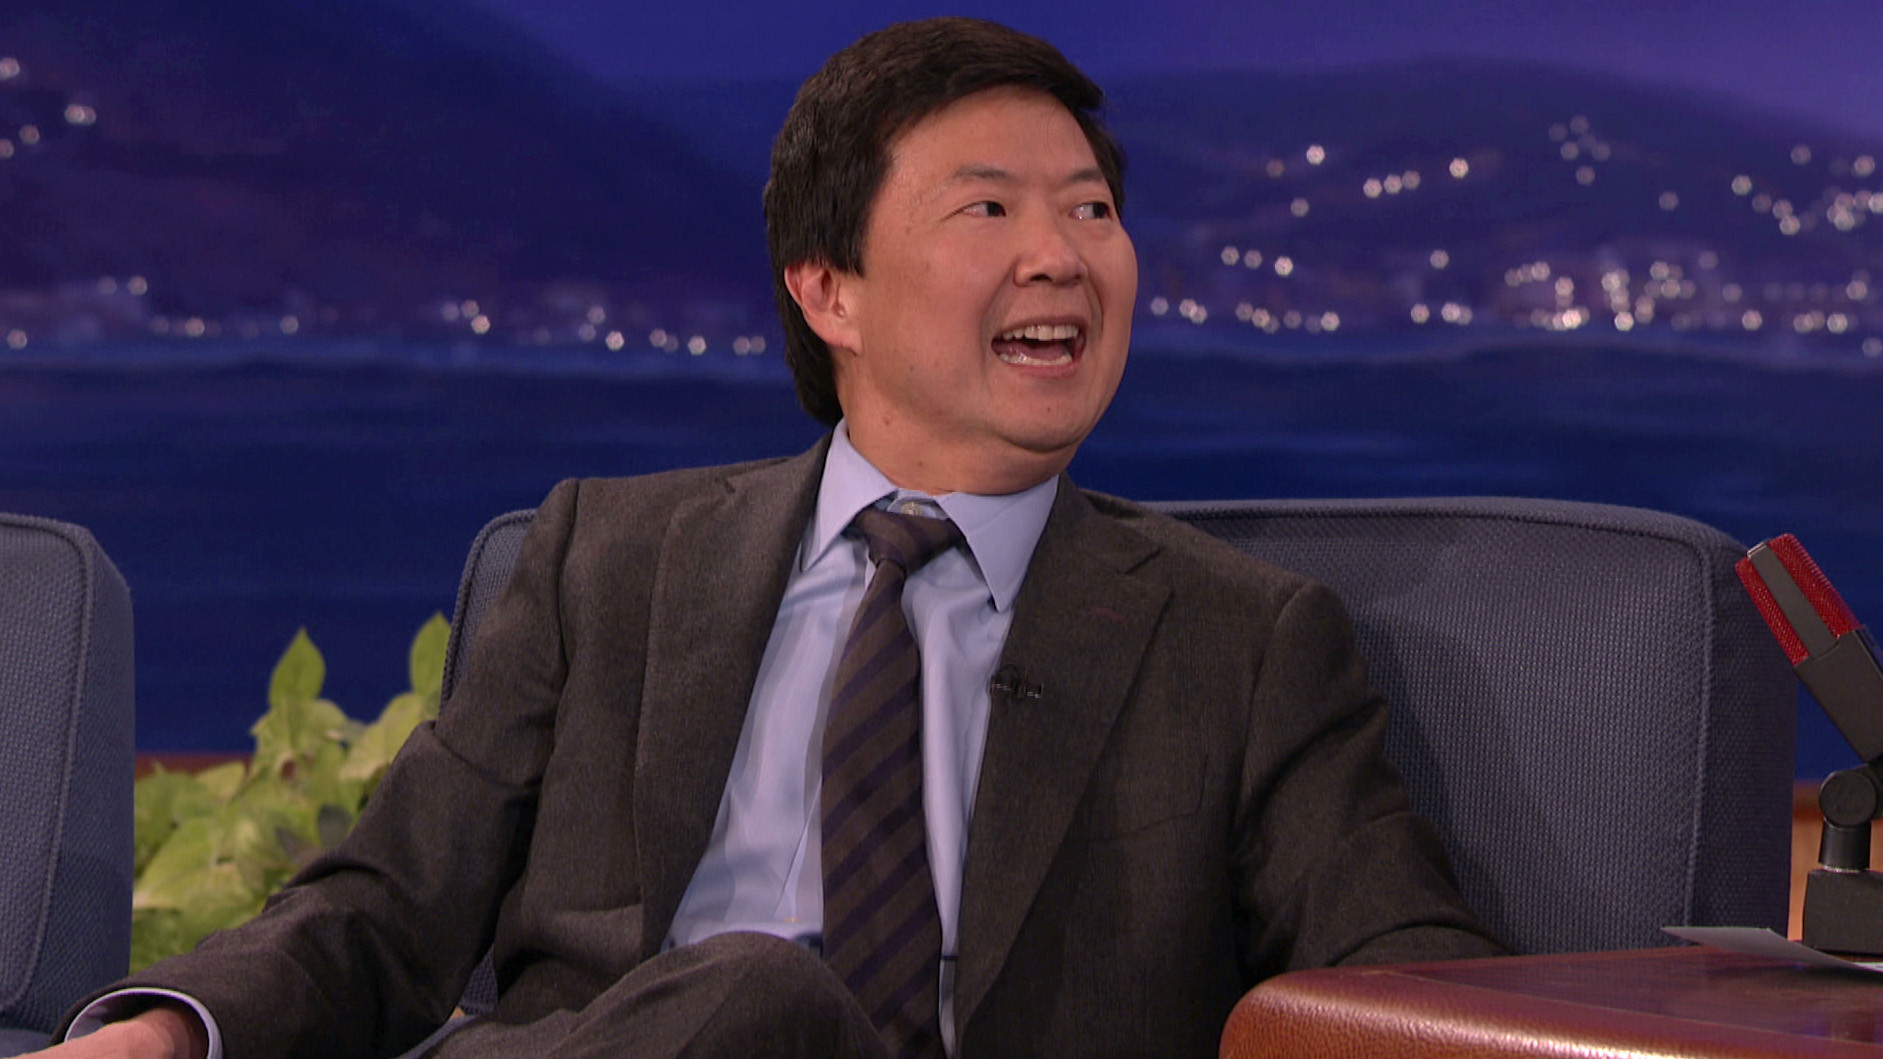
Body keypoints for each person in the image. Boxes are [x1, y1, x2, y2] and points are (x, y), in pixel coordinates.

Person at [34, 17, 1503, 1059]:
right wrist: (165, 1033)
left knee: (766, 1000)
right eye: (989, 207)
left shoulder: (1241, 641)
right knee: (744, 1002)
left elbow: (1410, 985)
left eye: (1093, 209)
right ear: (829, 290)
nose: (1061, 254)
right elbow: (387, 906)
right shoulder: (611, 562)